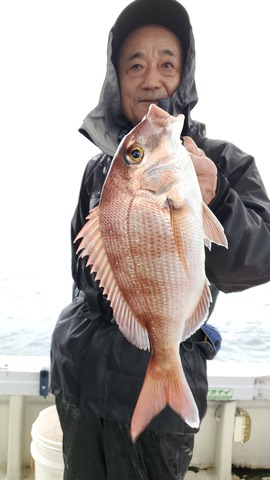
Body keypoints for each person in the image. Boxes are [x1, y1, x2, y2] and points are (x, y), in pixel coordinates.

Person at [50, 0, 270, 479]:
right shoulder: (98, 172)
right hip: (78, 381)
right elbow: (82, 272)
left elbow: (262, 258)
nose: (152, 79)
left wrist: (220, 199)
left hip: (157, 388)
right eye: (135, 65)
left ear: (185, 75)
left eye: (167, 63)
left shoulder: (224, 163)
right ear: (117, 80)